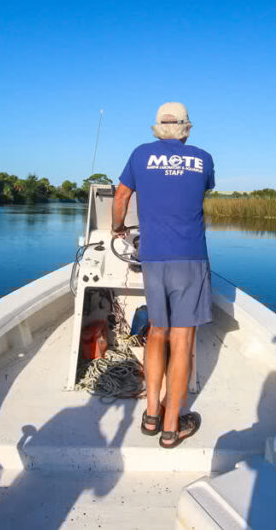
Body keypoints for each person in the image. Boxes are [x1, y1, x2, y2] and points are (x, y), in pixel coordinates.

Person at [112, 102, 215, 449]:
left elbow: (122, 194)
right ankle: (172, 428)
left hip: (153, 258)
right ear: (186, 128)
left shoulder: (140, 155)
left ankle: (152, 414)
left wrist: (117, 227)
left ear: (157, 127)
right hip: (190, 257)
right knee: (182, 340)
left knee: (157, 332)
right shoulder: (203, 158)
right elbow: (197, 192)